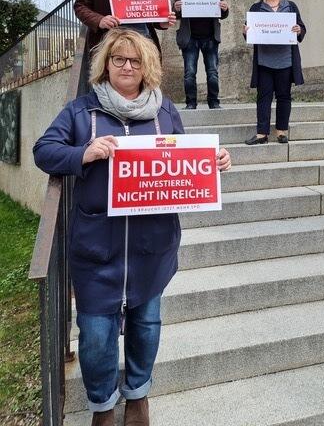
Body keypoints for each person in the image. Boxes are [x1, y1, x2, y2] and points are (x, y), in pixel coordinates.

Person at [33, 29, 231, 426]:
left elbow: (184, 159)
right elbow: (44, 151)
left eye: (135, 61)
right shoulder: (81, 112)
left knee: (146, 324)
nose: (127, 66)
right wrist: (82, 152)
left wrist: (213, 160)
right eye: (118, 59)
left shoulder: (165, 111)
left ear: (148, 67)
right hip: (96, 246)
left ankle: (137, 396)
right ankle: (102, 405)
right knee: (95, 335)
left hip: (151, 244)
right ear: (105, 65)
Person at [244, 0, 306, 145]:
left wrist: (298, 29)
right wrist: (245, 31)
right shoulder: (256, 8)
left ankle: (281, 131)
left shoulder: (291, 6)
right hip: (264, 61)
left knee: (284, 96)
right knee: (263, 97)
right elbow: (249, 30)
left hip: (285, 60)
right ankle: (262, 134)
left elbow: (301, 28)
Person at [173, 0, 229, 109]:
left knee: (212, 73)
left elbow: (222, 15)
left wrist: (225, 8)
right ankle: (191, 103)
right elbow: (175, 15)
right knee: (189, 73)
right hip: (189, 38)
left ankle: (214, 102)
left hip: (210, 37)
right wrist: (175, 8)